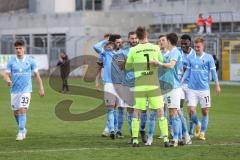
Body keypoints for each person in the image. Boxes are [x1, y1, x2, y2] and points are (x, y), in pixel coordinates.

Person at [125, 26, 172, 147]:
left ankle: (135, 140)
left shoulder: (133, 50)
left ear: (138, 36)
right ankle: (166, 140)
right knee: (160, 111)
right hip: (153, 85)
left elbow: (127, 67)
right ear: (146, 35)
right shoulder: (155, 48)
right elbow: (160, 62)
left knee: (137, 112)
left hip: (140, 86)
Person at [3, 40, 45, 141]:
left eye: (20, 48)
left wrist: (41, 88)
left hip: (26, 90)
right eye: (16, 48)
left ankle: (21, 132)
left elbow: (37, 75)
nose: (18, 50)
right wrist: (8, 80)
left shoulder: (30, 61)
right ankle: (23, 129)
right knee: (16, 113)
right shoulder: (11, 61)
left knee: (22, 109)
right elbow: (5, 74)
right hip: (14, 91)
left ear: (24, 49)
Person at [182, 37, 221, 140]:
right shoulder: (191, 58)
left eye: (198, 47)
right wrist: (182, 80)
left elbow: (213, 72)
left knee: (205, 111)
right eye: (195, 47)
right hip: (192, 89)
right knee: (191, 110)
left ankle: (202, 132)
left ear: (203, 46)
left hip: (204, 89)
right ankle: (197, 123)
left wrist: (217, 85)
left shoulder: (209, 58)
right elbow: (187, 71)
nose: (197, 48)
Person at [154, 33, 184, 147]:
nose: (163, 42)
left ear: (169, 41)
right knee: (173, 113)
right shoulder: (171, 52)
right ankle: (179, 137)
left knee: (173, 113)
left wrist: (159, 63)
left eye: (165, 40)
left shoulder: (175, 52)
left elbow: (171, 65)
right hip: (166, 87)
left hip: (173, 87)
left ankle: (176, 139)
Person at [93, 34, 126, 139]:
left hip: (121, 84)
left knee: (120, 108)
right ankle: (111, 130)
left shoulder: (124, 52)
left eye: (120, 42)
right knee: (110, 108)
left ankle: (118, 131)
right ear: (112, 43)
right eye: (117, 42)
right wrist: (106, 41)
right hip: (109, 84)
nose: (119, 44)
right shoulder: (106, 53)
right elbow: (95, 47)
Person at [178, 34, 193, 144]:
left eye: (185, 43)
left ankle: (191, 131)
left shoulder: (195, 55)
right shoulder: (177, 51)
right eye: (181, 43)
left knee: (191, 110)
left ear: (190, 43)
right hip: (180, 85)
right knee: (179, 109)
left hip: (192, 86)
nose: (183, 45)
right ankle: (183, 133)